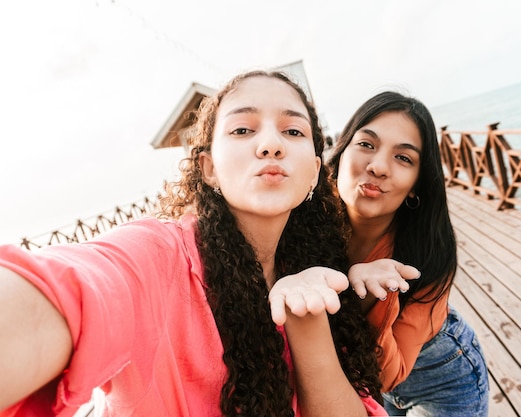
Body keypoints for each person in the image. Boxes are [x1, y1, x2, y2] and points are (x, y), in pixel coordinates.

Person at [0, 70, 386, 417]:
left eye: (293, 131)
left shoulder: (319, 267)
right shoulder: (158, 254)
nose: (271, 144)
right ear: (209, 168)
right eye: (242, 130)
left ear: (316, 172)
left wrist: (308, 320)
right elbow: (74, 285)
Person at [327, 91, 489, 416]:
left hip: (443, 375)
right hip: (364, 381)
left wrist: (369, 294)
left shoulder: (429, 251)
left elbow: (388, 375)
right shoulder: (308, 221)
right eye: (366, 144)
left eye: (403, 158)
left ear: (416, 183)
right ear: (341, 151)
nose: (378, 167)